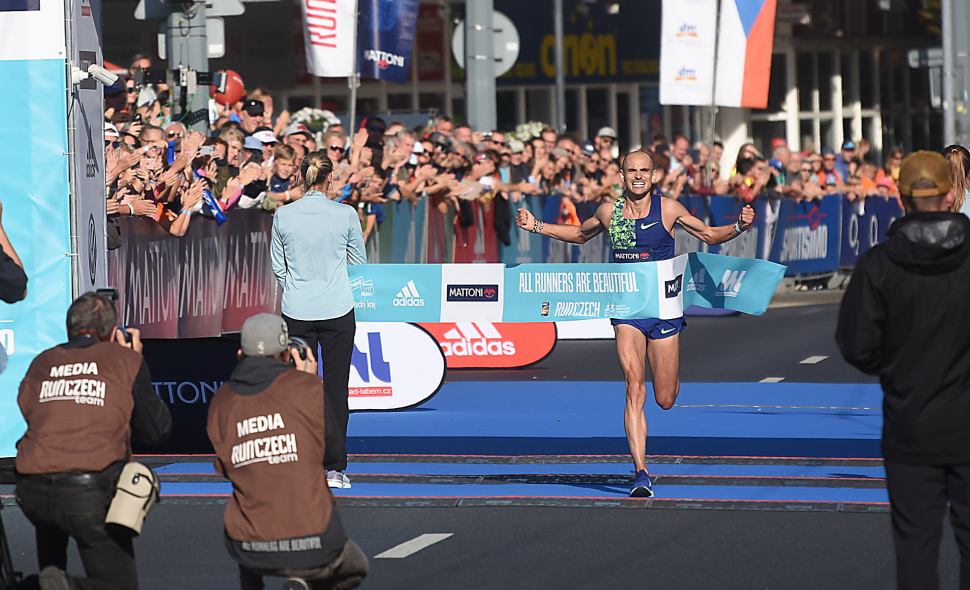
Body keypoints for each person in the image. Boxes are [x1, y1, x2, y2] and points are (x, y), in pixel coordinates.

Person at [515, 150, 754, 497]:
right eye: (632, 171)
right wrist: (536, 226)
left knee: (665, 398)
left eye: (644, 170)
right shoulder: (608, 211)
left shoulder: (668, 209)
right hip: (626, 307)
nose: (638, 176)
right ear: (622, 175)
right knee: (633, 387)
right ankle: (641, 472)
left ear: (654, 176)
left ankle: (667, 384)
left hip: (663, 308)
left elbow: (708, 236)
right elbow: (580, 234)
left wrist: (739, 226)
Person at [836, 150, 970, 590]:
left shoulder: (879, 263)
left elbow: (856, 345)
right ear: (950, 195)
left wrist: (897, 365)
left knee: (916, 547)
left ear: (900, 199)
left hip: (910, 421)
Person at [15, 292, 171, 589]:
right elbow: (157, 430)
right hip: (90, 490)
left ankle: (48, 582)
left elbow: (28, 409)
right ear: (113, 334)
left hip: (33, 488)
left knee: (51, 540)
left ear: (68, 330)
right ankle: (68, 585)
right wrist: (136, 362)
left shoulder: (43, 361)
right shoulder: (125, 360)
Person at [207, 313, 368, 590]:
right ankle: (307, 582)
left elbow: (224, 466)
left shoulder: (223, 399)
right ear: (286, 354)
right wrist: (309, 382)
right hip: (314, 539)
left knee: (247, 517)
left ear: (240, 354)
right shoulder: (306, 388)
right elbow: (332, 453)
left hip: (248, 544)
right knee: (356, 565)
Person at [271, 151, 366, 490]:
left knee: (297, 388)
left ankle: (301, 463)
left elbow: (278, 267)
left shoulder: (283, 214)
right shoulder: (345, 213)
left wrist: (298, 289)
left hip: (297, 309)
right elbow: (358, 261)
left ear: (300, 177)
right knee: (336, 389)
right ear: (329, 179)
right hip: (337, 308)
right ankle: (335, 468)